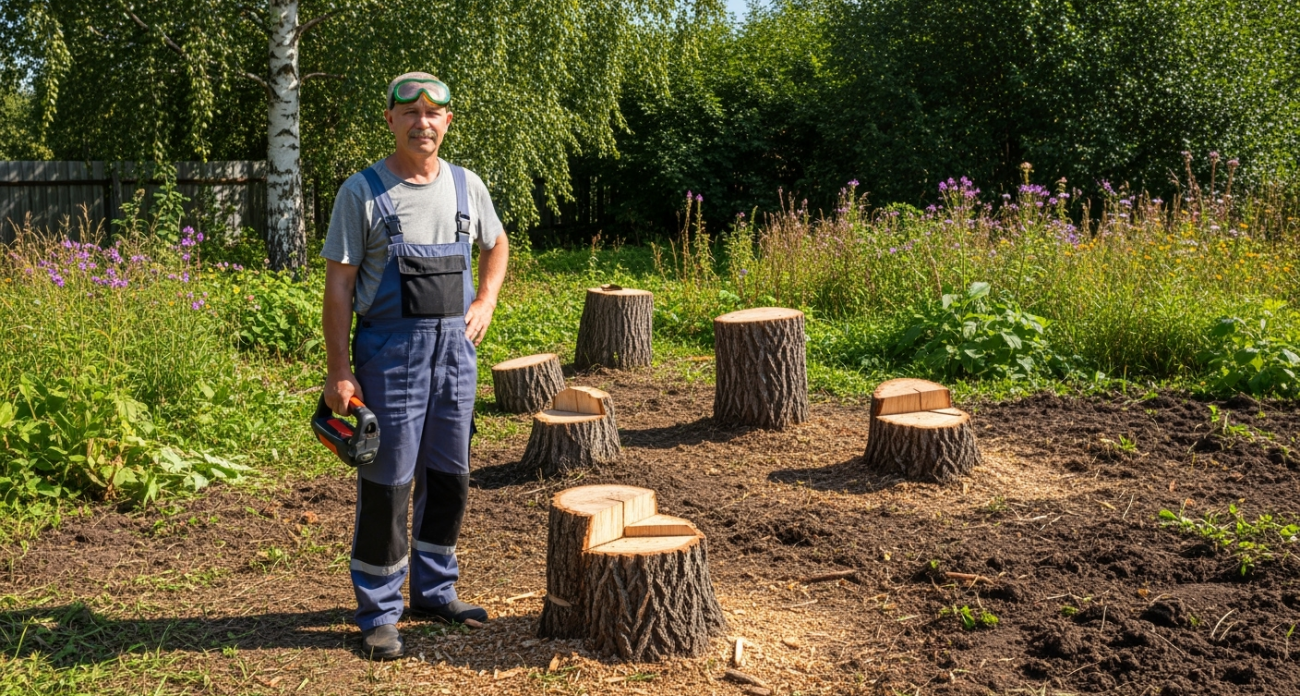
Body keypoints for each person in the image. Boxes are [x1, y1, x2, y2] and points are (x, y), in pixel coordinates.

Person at [321, 72, 509, 660]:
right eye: (410, 113)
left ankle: (434, 590)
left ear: (447, 122)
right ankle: (379, 610)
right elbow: (339, 286)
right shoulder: (364, 191)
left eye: (433, 113)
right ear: (391, 120)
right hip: (390, 356)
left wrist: (485, 300)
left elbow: (497, 244)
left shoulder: (466, 185)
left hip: (456, 354)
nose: (422, 123)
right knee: (388, 484)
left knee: (450, 477)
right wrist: (338, 370)